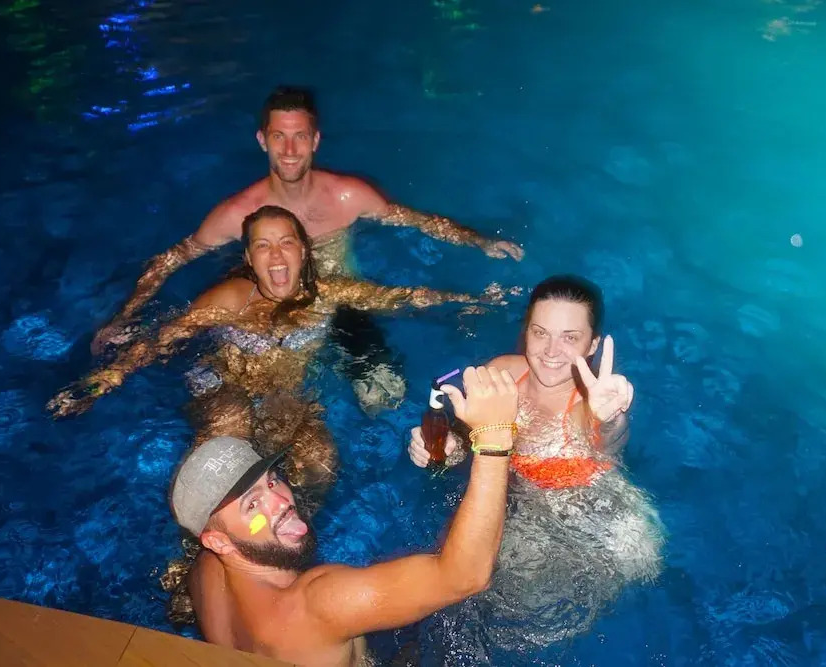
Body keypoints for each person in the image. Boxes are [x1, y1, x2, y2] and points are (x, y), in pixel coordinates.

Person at [91, 86, 523, 397]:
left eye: (300, 136)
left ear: (315, 141)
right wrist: (123, 316)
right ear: (262, 141)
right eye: (279, 136)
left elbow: (416, 221)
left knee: (384, 399)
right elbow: (173, 258)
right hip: (267, 315)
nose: (290, 149)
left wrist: (479, 242)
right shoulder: (237, 213)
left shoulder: (348, 196)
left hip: (342, 306)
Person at [49, 206, 499, 496]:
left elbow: (400, 297)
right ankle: (198, 546)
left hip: (288, 399)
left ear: (303, 251)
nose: (277, 256)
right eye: (262, 246)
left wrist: (472, 300)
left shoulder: (327, 294)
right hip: (223, 390)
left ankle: (281, 534)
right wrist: (100, 382)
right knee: (231, 425)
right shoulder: (229, 299)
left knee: (320, 461)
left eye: (286, 242)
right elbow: (159, 340)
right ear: (249, 258)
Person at [169, 364, 519, 665]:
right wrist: (494, 438)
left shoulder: (206, 569)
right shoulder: (316, 605)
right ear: (217, 541)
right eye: (252, 504)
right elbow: (466, 577)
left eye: (272, 481)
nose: (281, 501)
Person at [406, 275, 664, 660]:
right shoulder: (502, 374)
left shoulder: (591, 402)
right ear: (526, 330)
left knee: (503, 623)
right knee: (453, 599)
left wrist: (611, 418)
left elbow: (608, 441)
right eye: (540, 332)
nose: (551, 351)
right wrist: (445, 449)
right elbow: (469, 441)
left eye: (570, 337)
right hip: (518, 502)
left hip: (593, 518)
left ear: (593, 345)